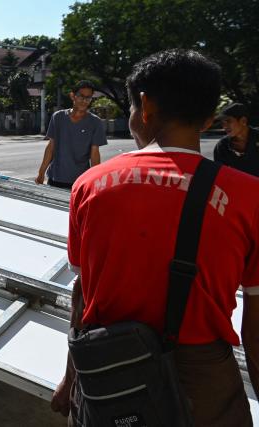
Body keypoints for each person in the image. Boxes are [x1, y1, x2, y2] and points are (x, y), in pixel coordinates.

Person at [51, 49, 259, 425]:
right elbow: (257, 327)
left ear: (143, 107)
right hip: (204, 383)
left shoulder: (89, 185)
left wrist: (70, 378)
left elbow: (83, 294)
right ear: (210, 118)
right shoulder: (249, 196)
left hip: (108, 377)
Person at [34, 80, 107, 189]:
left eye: (88, 98)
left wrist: (95, 180)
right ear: (72, 96)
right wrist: (41, 173)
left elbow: (95, 154)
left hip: (80, 181)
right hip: (55, 178)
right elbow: (51, 147)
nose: (84, 101)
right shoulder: (58, 117)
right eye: (81, 96)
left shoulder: (95, 122)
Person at [213, 102, 259, 177]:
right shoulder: (222, 145)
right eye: (223, 123)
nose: (224, 126)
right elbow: (220, 174)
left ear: (243, 121)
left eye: (228, 121)